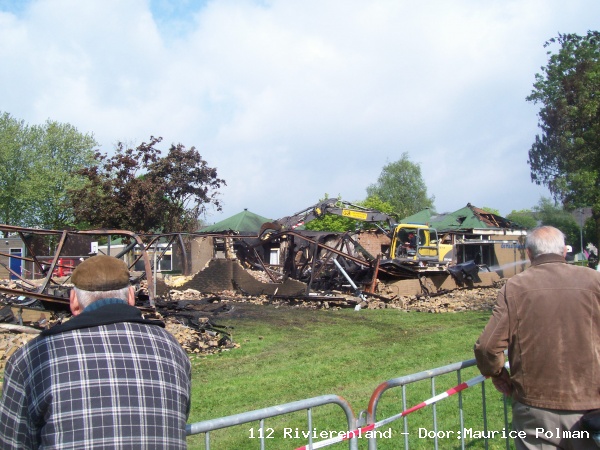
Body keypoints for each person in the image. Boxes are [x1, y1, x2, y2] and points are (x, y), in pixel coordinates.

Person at [0, 255, 192, 449]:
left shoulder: (33, 358)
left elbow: (12, 442)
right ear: (131, 297)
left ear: (74, 301)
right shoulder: (172, 349)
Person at [474, 226, 600, 449]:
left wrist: (497, 373)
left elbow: (487, 347)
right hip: (591, 406)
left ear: (529, 253)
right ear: (564, 251)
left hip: (536, 408)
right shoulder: (595, 280)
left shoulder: (515, 287)